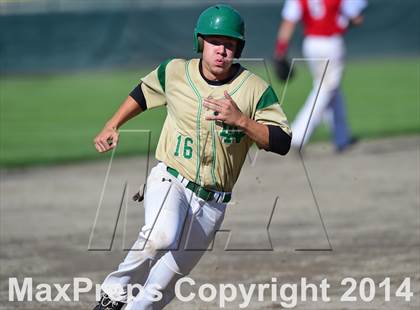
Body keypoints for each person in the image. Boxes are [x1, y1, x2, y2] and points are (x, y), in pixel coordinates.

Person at [92, 4, 291, 310]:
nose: (221, 50)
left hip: (213, 203)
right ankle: (113, 292)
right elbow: (143, 93)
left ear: (238, 48)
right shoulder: (175, 72)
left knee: (161, 287)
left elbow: (282, 141)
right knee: (161, 234)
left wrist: (242, 120)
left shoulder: (254, 89)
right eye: (214, 42)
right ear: (200, 43)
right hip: (170, 179)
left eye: (229, 44)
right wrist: (112, 124)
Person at [274, 0, 367, 152]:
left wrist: (280, 51)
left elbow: (289, 22)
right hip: (331, 43)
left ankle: (341, 137)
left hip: (311, 44)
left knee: (331, 89)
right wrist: (347, 22)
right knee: (326, 88)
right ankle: (298, 135)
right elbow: (356, 18)